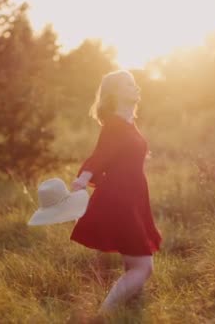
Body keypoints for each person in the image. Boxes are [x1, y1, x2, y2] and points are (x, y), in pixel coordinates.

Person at [70, 70, 163, 314]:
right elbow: (100, 155)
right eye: (129, 84)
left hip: (130, 198)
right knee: (144, 267)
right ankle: (104, 314)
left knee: (133, 262)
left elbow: (116, 155)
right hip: (121, 200)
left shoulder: (127, 123)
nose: (136, 87)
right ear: (115, 93)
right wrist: (83, 178)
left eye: (135, 83)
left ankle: (130, 308)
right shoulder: (115, 124)